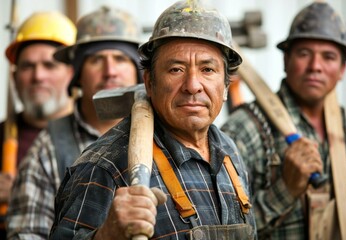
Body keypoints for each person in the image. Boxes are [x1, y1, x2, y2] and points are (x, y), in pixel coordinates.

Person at [49, 1, 257, 240]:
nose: (192, 85)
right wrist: (107, 235)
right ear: (149, 82)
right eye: (176, 69)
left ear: (226, 85)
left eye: (207, 70)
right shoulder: (107, 166)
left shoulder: (230, 152)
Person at [221, 2, 346, 239]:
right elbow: (227, 232)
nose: (315, 66)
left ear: (342, 69)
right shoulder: (243, 131)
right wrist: (285, 189)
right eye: (304, 54)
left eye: (328, 57)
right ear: (286, 60)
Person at [6, 6, 143, 239]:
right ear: (77, 73)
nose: (110, 71)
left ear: (139, 72)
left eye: (120, 59)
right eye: (97, 59)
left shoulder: (163, 136)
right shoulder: (50, 146)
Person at [0, 11, 76, 239]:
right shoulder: (2, 136)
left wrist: (23, 194)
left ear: (72, 74)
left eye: (49, 65)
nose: (38, 76)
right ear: (14, 77)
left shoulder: (98, 137)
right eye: (27, 66)